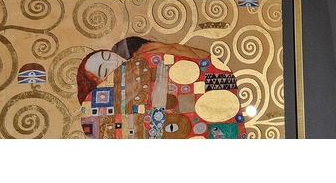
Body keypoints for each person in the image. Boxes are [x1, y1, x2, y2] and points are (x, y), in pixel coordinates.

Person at [77, 36, 247, 139]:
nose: (114, 63)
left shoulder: (150, 57)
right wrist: (157, 109)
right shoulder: (114, 122)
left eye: (108, 56)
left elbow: (211, 67)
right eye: (104, 71)